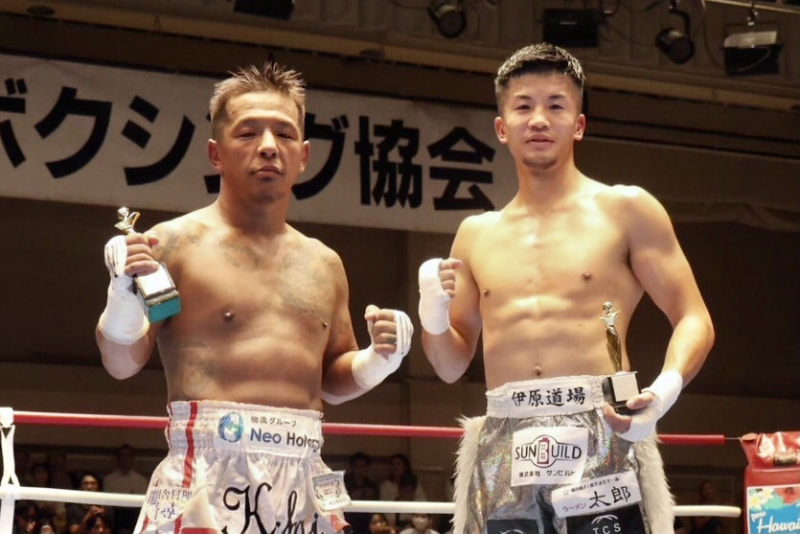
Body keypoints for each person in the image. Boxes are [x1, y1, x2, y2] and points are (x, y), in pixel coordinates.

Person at [94, 61, 413, 534]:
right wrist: (120, 300)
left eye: (284, 134)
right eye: (247, 133)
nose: (268, 146)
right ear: (215, 152)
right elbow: (123, 363)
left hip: (303, 476)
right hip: (205, 475)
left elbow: (331, 379)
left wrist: (379, 360)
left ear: (303, 155)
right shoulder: (174, 246)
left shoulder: (324, 263)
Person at [416, 42, 714, 534]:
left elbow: (694, 317)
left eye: (555, 105)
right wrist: (432, 311)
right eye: (524, 106)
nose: (539, 119)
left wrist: (663, 392)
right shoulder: (475, 235)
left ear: (578, 124)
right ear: (502, 128)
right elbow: (450, 366)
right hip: (506, 437)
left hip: (605, 422)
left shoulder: (626, 210)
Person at [101, 446, 145, 534]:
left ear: (133, 459)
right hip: (115, 517)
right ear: (117, 459)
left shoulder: (141, 480)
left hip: (134, 516)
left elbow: (143, 505)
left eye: (128, 456)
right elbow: (107, 505)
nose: (125, 459)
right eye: (122, 456)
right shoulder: (109, 479)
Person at [343, 452, 380, 534]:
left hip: (366, 523)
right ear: (352, 467)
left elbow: (376, 506)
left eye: (363, 466)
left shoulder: (372, 485)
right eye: (357, 466)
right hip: (348, 520)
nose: (360, 469)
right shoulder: (344, 482)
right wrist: (352, 496)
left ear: (367, 468)